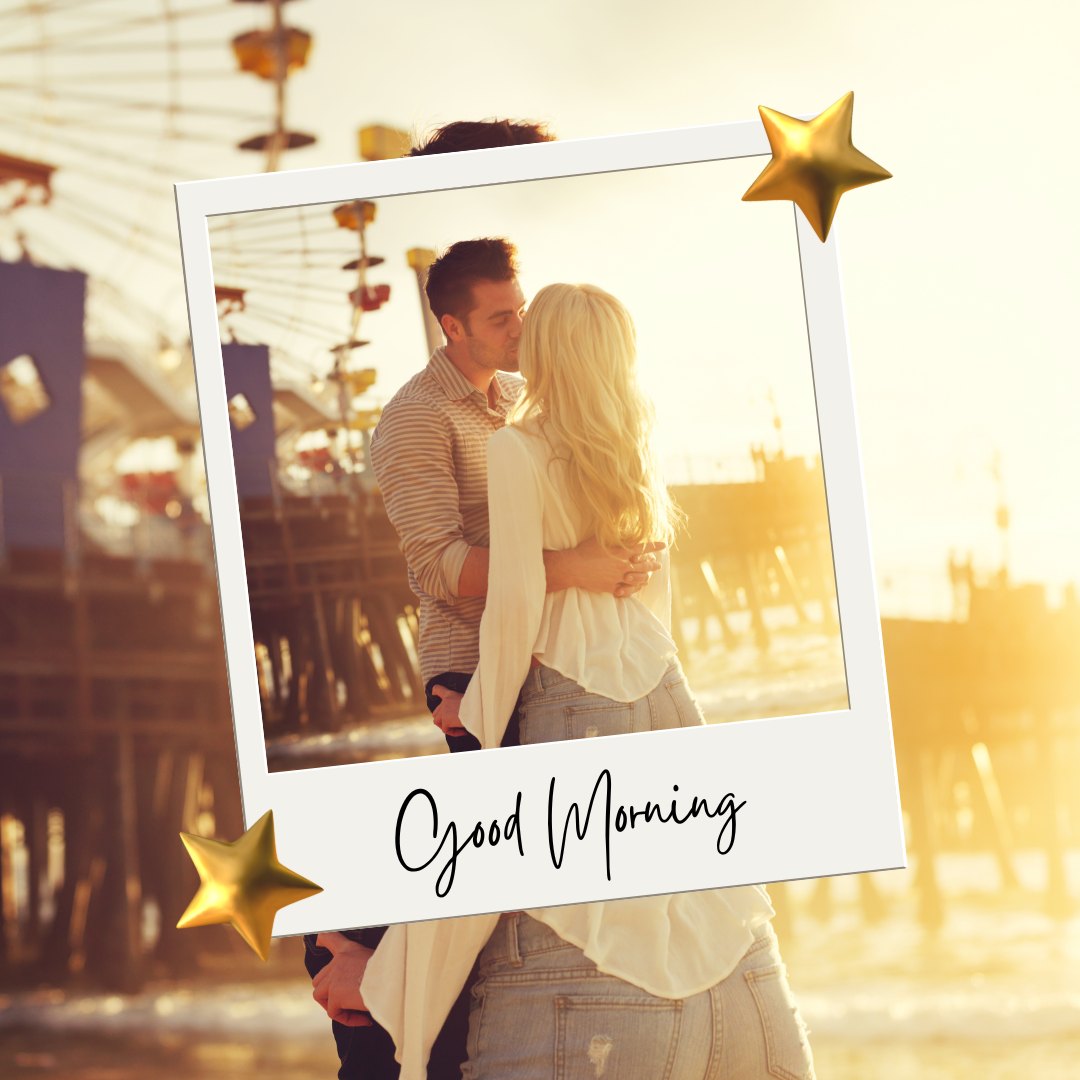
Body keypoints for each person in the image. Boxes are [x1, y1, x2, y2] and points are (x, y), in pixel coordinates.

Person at [353, 284, 817, 1078]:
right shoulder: (631, 441)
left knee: (520, 863)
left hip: (568, 688)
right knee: (683, 873)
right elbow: (654, 594)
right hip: (661, 683)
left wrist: (486, 711)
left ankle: (397, 1013)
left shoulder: (517, 446)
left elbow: (515, 607)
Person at [307, 243, 662, 1078]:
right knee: (493, 852)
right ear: (451, 324)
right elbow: (436, 565)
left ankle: (362, 961)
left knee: (515, 854)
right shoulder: (414, 420)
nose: (521, 327)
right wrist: (571, 568)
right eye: (502, 317)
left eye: (523, 307)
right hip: (473, 666)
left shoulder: (515, 400)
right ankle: (361, 981)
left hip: (542, 656)